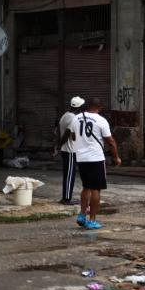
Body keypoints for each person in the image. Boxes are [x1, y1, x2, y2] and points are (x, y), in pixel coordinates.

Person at [62, 97, 121, 230]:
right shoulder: (101, 120)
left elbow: (72, 136)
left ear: (88, 106)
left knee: (86, 187)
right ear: (99, 108)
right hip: (95, 158)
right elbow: (110, 141)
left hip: (81, 158)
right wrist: (116, 157)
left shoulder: (76, 118)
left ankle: (82, 215)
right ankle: (92, 220)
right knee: (96, 189)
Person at [56, 96, 84, 205]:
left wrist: (58, 145)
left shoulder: (64, 116)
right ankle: (67, 199)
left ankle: (66, 196)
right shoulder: (74, 118)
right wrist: (59, 145)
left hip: (65, 150)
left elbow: (58, 131)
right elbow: (71, 135)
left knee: (67, 174)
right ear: (79, 107)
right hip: (70, 150)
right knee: (69, 175)